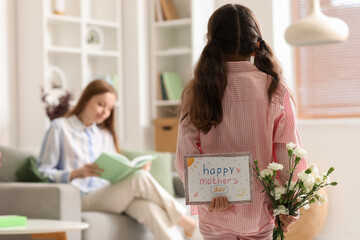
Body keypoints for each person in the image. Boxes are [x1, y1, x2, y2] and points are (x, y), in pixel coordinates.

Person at [175, 4, 307, 240]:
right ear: (256, 46)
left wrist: (206, 198)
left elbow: (185, 155)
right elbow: (289, 152)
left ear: (211, 44)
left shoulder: (197, 91)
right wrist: (288, 203)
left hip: (215, 213)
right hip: (259, 213)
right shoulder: (275, 89)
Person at [38, 79, 201, 240]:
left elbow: (114, 169)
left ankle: (187, 232)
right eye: (101, 104)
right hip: (81, 198)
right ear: (86, 99)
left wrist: (133, 170)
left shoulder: (104, 135)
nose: (105, 112)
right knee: (140, 179)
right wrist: (74, 174)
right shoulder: (59, 128)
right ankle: (188, 224)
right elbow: (42, 172)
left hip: (109, 194)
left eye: (109, 109)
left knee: (150, 209)